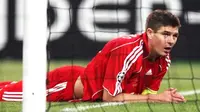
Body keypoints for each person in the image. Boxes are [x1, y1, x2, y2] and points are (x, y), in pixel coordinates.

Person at [0, 9, 186, 103]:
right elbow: (110, 97)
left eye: (174, 36)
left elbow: (147, 94)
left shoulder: (164, 60)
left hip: (87, 81)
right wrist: (158, 98)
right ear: (150, 33)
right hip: (65, 86)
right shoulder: (127, 50)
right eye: (165, 34)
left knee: (11, 87)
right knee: (6, 94)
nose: (170, 41)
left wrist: (164, 96)